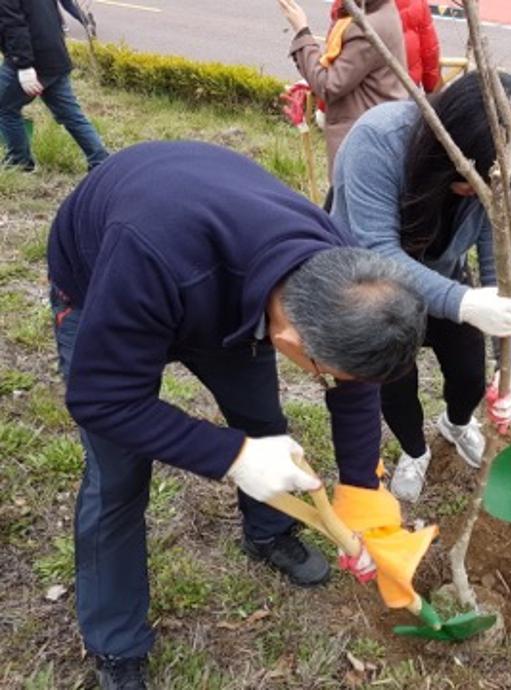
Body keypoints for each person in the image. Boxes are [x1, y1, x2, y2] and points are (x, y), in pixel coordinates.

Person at [47, 141, 426, 688]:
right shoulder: (150, 254)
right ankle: (116, 644)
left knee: (262, 422)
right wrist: (233, 455)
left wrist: (363, 496)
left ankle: (267, 531)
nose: (333, 383)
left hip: (223, 287)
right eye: (325, 373)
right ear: (290, 337)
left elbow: (355, 386)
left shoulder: (343, 274)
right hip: (106, 279)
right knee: (119, 476)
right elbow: (100, 399)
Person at [330, 72, 511, 502]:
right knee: (395, 381)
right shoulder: (379, 140)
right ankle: (415, 450)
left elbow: (501, 264)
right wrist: (462, 302)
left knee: (468, 375)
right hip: (371, 287)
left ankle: (456, 424)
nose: (474, 193)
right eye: (469, 180)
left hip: (444, 274)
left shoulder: (493, 173)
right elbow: (376, 253)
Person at [277, 0, 408, 181]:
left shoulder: (367, 28)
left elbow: (329, 86)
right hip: (378, 129)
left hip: (361, 142)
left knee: (348, 203)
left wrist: (302, 31)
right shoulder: (382, 9)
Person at [0, 0, 108, 171]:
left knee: (5, 108)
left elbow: (14, 26)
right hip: (55, 54)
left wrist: (24, 65)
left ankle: (19, 162)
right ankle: (101, 161)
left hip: (33, 59)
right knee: (71, 114)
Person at [395, 0, 441, 93]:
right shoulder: (418, 2)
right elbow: (429, 50)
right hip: (408, 84)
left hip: (370, 87)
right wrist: (431, 86)